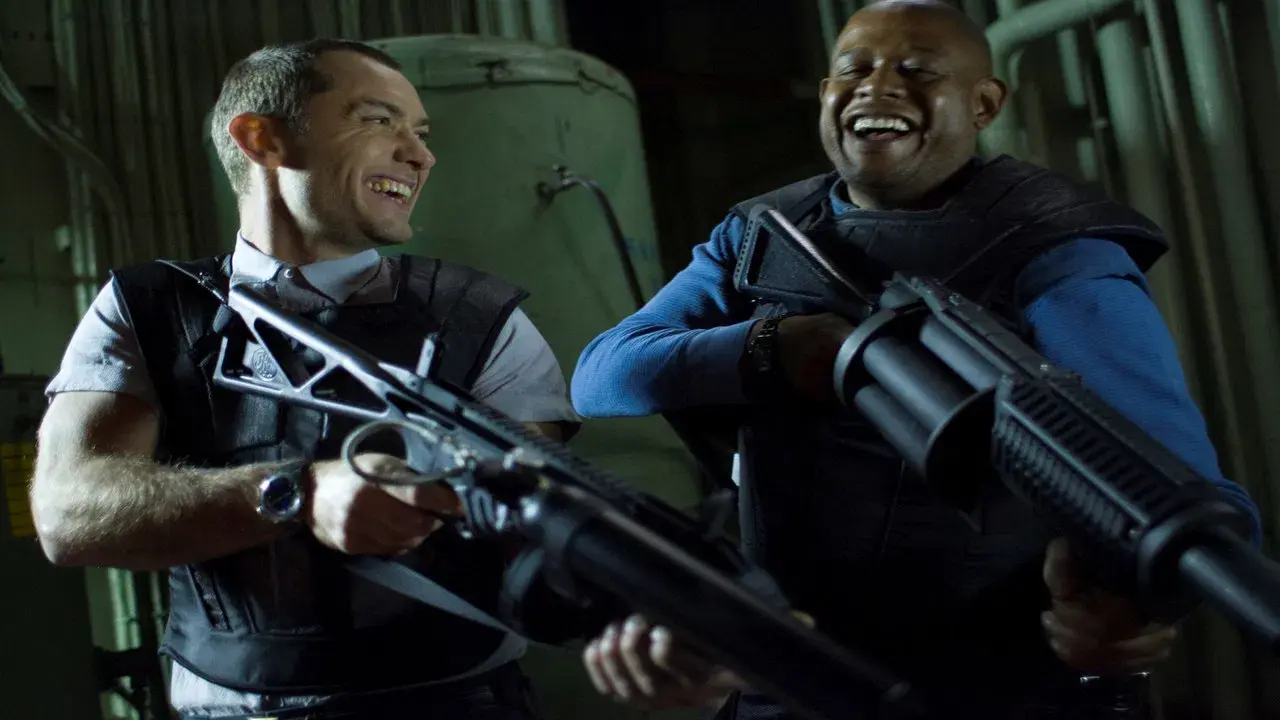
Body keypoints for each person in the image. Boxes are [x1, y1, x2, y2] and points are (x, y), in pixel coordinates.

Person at [570, 1, 1263, 718]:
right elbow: (601, 376)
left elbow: (1186, 488)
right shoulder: (757, 234)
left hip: (997, 687)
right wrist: (771, 351)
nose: (877, 87)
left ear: (984, 104)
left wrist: (1132, 602)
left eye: (918, 71)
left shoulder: (1054, 246)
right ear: (827, 94)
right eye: (854, 70)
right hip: (791, 669)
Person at [30, 39, 582, 720]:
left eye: (422, 132)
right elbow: (67, 514)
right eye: (378, 120)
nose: (420, 155)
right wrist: (297, 493)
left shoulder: (481, 317)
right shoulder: (146, 306)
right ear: (262, 139)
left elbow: (547, 517)